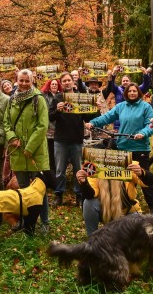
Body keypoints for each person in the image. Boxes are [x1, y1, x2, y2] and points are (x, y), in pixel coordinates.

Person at [88, 84, 153, 211]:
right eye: (129, 91)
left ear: (139, 93)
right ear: (125, 93)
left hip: (140, 148)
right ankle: (125, 205)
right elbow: (106, 117)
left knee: (144, 179)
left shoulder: (146, 107)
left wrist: (143, 133)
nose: (132, 93)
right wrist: (93, 123)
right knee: (124, 179)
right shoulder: (121, 106)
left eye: (134, 91)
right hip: (123, 147)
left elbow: (151, 125)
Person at [4, 69, 51, 228]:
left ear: (32, 81)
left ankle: (45, 222)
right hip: (17, 152)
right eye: (21, 80)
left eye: (27, 81)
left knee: (40, 191)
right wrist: (12, 137)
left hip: (35, 153)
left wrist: (30, 147)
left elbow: (42, 126)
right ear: (16, 80)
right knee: (23, 190)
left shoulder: (39, 99)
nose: (23, 83)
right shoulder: (11, 100)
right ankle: (27, 223)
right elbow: (6, 122)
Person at [75, 161, 153, 235]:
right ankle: (92, 240)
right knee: (89, 203)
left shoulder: (129, 165)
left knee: (130, 238)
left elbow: (150, 181)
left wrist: (141, 173)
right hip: (106, 212)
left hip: (128, 213)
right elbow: (90, 195)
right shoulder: (96, 168)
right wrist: (83, 183)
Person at [49, 73, 87, 207]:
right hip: (61, 140)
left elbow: (88, 117)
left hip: (76, 139)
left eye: (68, 80)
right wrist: (57, 110)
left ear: (73, 81)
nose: (66, 83)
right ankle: (59, 194)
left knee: (78, 169)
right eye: (64, 81)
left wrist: (96, 110)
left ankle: (79, 196)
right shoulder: (57, 98)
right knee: (60, 170)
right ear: (61, 83)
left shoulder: (81, 97)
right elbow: (50, 117)